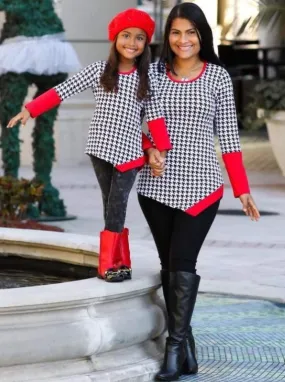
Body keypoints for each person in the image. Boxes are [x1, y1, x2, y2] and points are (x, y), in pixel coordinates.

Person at [138, 3, 260, 381]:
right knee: (167, 267)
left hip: (202, 186)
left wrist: (242, 189)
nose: (183, 40)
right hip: (155, 185)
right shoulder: (153, 74)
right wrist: (149, 149)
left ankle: (174, 350)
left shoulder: (218, 77)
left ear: (202, 35)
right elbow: (140, 123)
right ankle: (185, 344)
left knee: (183, 265)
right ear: (167, 37)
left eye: (190, 32)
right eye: (176, 32)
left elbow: (229, 136)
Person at [7, 8, 172, 283]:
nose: (132, 43)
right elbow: (63, 90)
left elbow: (155, 118)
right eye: (126, 35)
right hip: (101, 149)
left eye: (140, 38)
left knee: (117, 206)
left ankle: (109, 264)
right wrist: (31, 110)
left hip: (130, 153)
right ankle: (120, 261)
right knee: (109, 206)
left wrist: (160, 151)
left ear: (146, 44)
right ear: (115, 38)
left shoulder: (148, 78)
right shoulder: (99, 71)